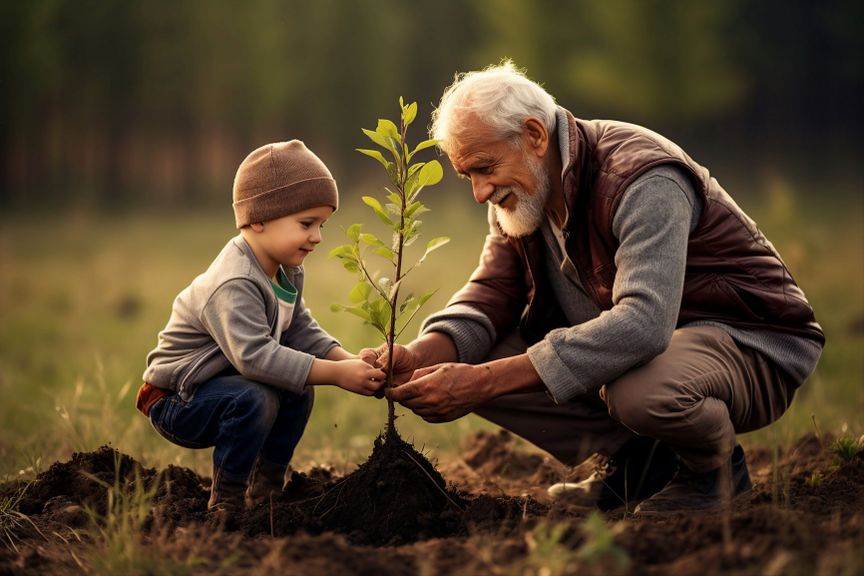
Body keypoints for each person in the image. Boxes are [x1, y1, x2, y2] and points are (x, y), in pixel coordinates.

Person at [364, 61, 824, 513]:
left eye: (484, 169)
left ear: (534, 135)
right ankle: (645, 463)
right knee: (468, 352)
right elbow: (493, 290)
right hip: (650, 353)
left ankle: (714, 471)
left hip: (752, 341)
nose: (480, 192)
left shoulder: (642, 178)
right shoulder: (523, 192)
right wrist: (425, 353)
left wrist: (481, 383)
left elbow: (643, 326)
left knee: (641, 393)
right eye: (469, 176)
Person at [136, 141, 386, 521]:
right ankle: (227, 499)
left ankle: (266, 487)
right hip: (177, 399)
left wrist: (347, 360)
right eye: (306, 224)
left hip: (221, 385)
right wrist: (336, 376)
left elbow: (299, 328)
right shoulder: (234, 281)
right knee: (257, 397)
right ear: (258, 219)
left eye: (321, 224)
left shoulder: (282, 269)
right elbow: (255, 357)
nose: (317, 236)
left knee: (297, 387)